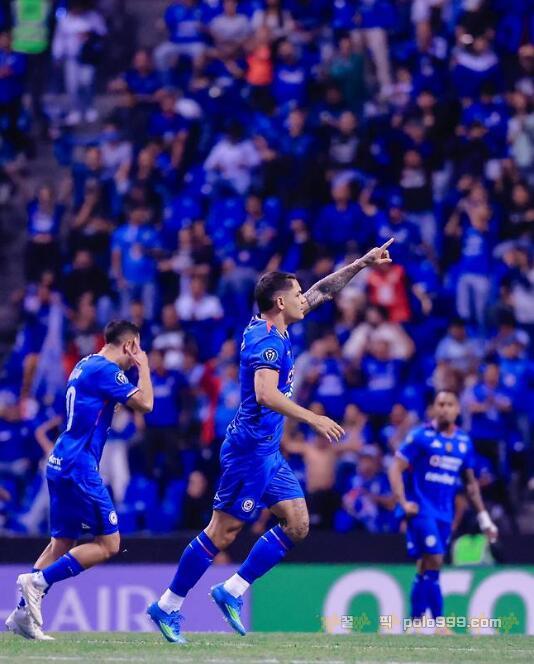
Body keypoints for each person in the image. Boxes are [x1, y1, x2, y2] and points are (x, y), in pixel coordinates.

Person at [147, 238, 394, 643]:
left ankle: (232, 590)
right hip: (249, 451)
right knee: (222, 533)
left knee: (297, 523)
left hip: (267, 450)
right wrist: (313, 417)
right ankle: (168, 605)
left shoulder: (274, 325)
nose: (303, 298)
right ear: (280, 302)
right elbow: (265, 393)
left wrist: (361, 264)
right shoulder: (266, 341)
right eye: (296, 294)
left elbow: (323, 290)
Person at [5, 320, 154, 640]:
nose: (137, 355)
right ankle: (38, 582)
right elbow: (146, 404)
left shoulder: (85, 364)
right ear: (130, 346)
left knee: (61, 544)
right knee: (109, 544)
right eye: (137, 347)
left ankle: (22, 615)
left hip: (60, 460)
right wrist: (144, 367)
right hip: (80, 466)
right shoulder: (106, 370)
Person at [388, 390, 498, 630]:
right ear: (433, 409)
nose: (444, 408)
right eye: (440, 404)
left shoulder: (464, 442)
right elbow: (395, 467)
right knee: (436, 558)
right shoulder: (420, 436)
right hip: (420, 510)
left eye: (449, 404)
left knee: (426, 564)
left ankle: (416, 622)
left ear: (457, 409)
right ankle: (439, 623)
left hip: (445, 514)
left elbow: (470, 485)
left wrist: (485, 519)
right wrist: (403, 502)